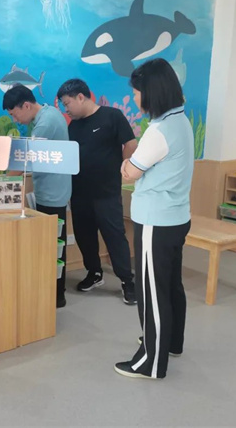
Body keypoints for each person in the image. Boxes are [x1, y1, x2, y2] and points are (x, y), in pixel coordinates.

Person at [114, 58, 194, 380]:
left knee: (151, 293)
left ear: (151, 92)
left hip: (155, 222)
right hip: (176, 217)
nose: (135, 98)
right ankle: (170, 342)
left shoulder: (158, 132)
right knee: (170, 284)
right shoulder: (180, 120)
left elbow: (130, 172)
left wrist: (126, 165)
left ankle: (151, 360)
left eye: (136, 93)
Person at [0, 85, 72, 308]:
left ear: (26, 105)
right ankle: (51, 292)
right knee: (48, 243)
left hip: (53, 192)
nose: (14, 119)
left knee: (53, 245)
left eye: (14, 113)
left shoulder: (46, 122)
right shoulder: (41, 118)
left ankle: (57, 295)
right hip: (45, 189)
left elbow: (24, 159)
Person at [56, 79, 137, 305]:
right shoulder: (73, 126)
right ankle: (94, 273)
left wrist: (124, 168)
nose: (66, 109)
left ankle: (127, 282)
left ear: (81, 97)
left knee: (114, 237)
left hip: (107, 192)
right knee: (85, 236)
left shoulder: (112, 116)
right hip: (79, 193)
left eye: (67, 103)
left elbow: (130, 144)